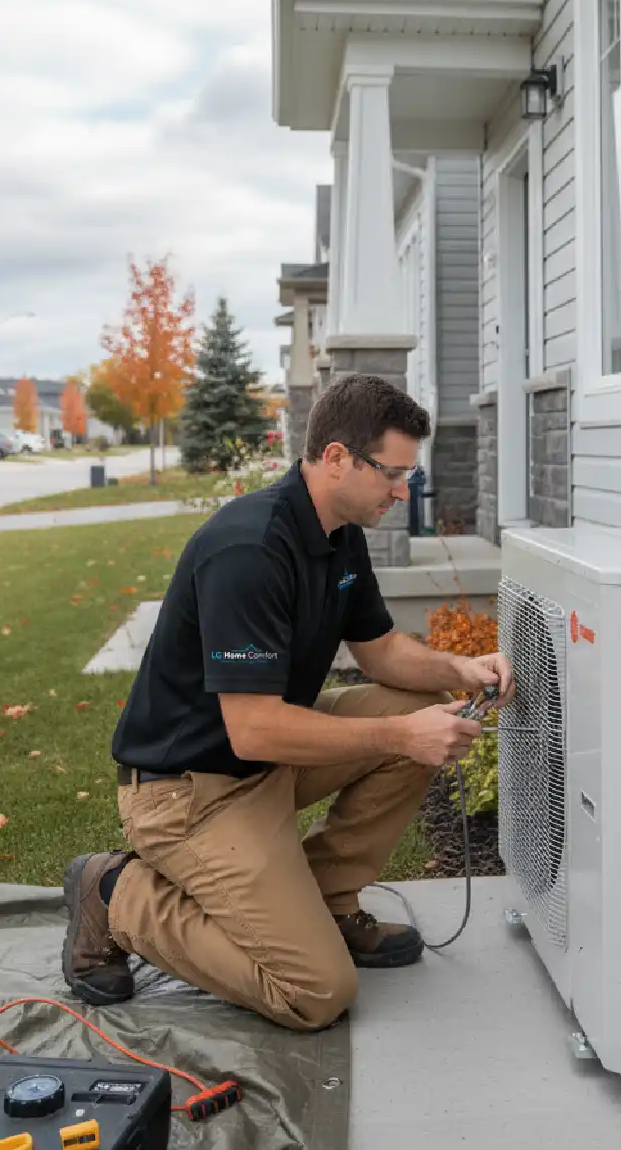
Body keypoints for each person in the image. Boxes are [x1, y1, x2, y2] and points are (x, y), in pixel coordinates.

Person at [61, 373, 514, 1032]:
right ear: (335, 457)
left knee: (417, 697)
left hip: (263, 763)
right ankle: (115, 893)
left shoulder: (339, 532)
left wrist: (460, 668)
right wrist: (399, 736)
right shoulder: (248, 550)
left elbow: (380, 649)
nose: (403, 490)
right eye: (392, 472)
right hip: (189, 791)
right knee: (314, 990)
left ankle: (330, 903)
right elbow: (253, 729)